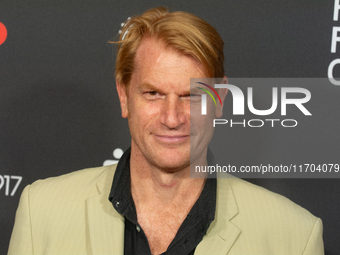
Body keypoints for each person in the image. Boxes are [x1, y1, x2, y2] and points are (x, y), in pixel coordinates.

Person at [8, 7, 324, 255]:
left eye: (192, 96)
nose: (172, 118)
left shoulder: (293, 236)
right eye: (153, 94)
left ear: (219, 99)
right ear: (123, 95)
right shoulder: (43, 212)